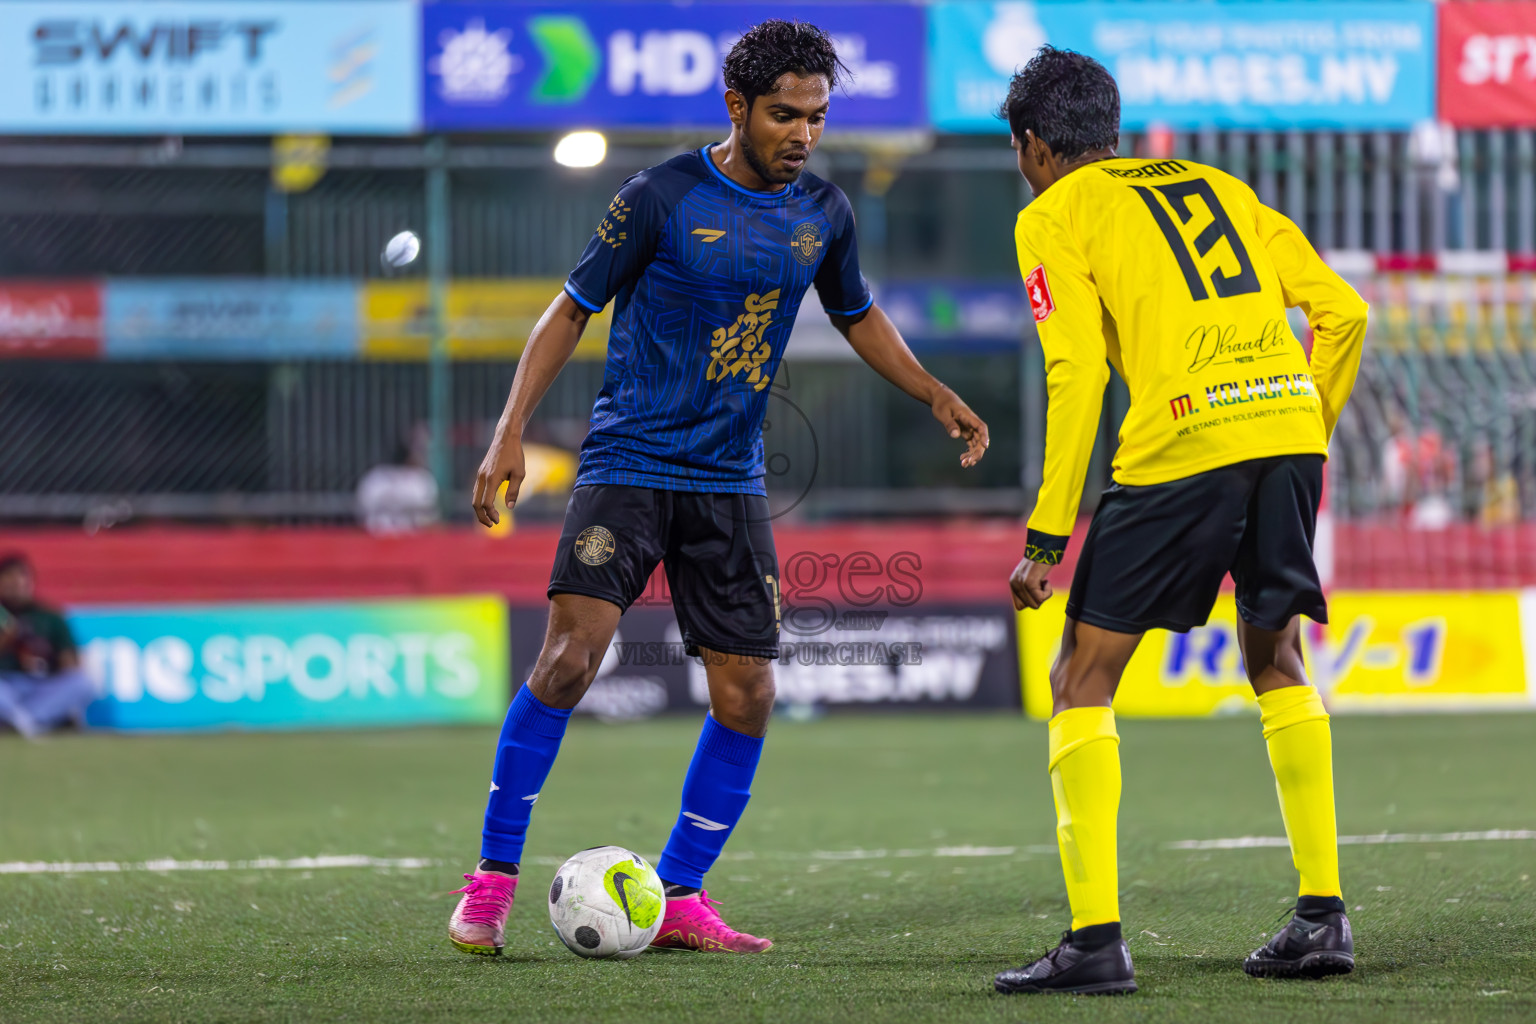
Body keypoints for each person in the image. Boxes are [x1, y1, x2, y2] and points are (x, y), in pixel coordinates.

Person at [449, 20, 989, 957]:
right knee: (569, 664)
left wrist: (934, 391)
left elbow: (857, 316)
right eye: (786, 114)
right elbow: (569, 309)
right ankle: (491, 884)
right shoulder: (658, 196)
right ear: (736, 106)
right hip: (628, 464)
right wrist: (507, 434)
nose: (804, 134)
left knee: (747, 694)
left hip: (729, 480)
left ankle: (684, 895)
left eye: (817, 117)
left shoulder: (824, 212)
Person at [994, 48, 1368, 995]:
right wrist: (1302, 430)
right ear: (1109, 127)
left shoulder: (1052, 213)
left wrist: (1047, 538)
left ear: (1036, 145)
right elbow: (1346, 310)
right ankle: (1321, 917)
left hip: (1182, 441)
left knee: (1081, 676)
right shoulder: (1220, 184)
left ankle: (1094, 942)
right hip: (1285, 432)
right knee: (1275, 656)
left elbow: (1076, 375)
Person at [0, 553, 96, 738]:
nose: (16, 583)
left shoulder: (49, 616)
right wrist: (7, 638)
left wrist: (60, 663)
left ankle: (22, 720)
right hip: (6, 684)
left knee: (83, 682)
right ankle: (32, 721)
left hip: (41, 685)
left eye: (22, 576)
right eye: (9, 577)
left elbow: (69, 660)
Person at [356, 437, 439, 534]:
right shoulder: (376, 477)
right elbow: (363, 510)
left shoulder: (421, 479)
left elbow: (428, 515)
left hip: (410, 537)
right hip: (378, 536)